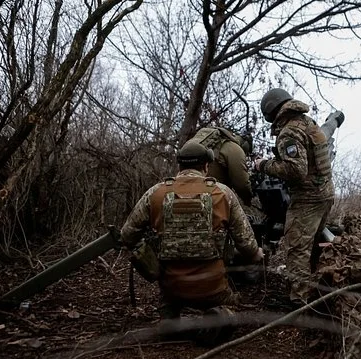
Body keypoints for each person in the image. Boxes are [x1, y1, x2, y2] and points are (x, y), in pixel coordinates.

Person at [121, 141, 264, 319]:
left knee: (168, 299)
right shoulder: (223, 193)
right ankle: (220, 313)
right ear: (206, 166)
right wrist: (257, 254)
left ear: (179, 165)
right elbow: (247, 244)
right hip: (213, 288)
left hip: (171, 287)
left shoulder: (155, 193)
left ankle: (170, 315)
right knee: (231, 304)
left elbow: (127, 235)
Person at [255, 88, 344, 305]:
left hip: (307, 199)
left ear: (271, 112)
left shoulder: (289, 132)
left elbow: (296, 170)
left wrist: (263, 164)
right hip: (324, 194)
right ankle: (316, 289)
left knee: (296, 249)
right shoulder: (307, 123)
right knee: (311, 244)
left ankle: (299, 301)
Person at [185, 127, 254, 206]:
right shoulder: (235, 149)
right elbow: (241, 184)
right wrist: (248, 199)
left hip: (184, 189)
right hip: (211, 196)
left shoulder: (217, 143)